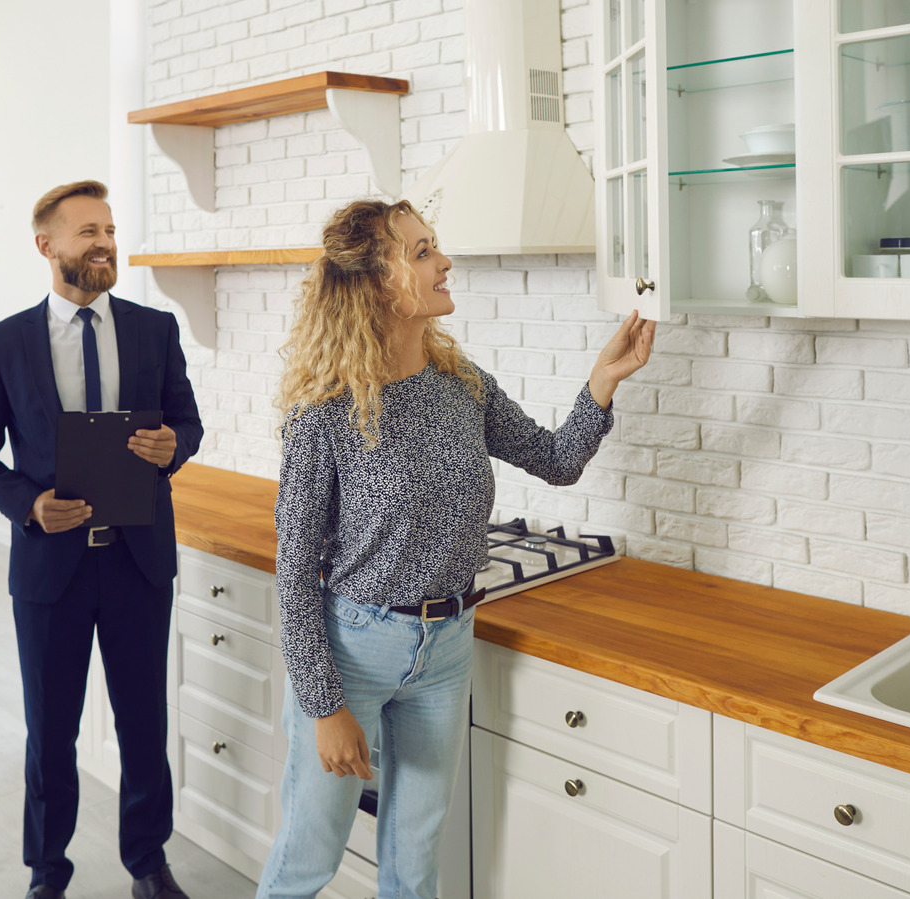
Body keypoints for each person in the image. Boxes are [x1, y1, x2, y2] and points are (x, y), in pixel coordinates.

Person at [257, 199, 655, 899]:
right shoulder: (324, 411)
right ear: (378, 283)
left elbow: (556, 459)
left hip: (447, 646)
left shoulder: (461, 383)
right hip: (353, 649)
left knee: (413, 863)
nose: (444, 263)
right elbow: (292, 576)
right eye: (421, 252)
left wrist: (602, 383)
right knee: (307, 856)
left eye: (435, 247)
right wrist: (324, 706)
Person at [0, 180, 203, 899]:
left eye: (110, 230)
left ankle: (147, 863)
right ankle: (47, 870)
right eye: (88, 231)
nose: (104, 242)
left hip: (138, 562)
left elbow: (189, 424)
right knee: (51, 731)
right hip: (50, 566)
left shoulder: (156, 331)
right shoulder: (3, 342)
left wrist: (170, 446)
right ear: (47, 245)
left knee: (143, 723)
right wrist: (27, 503)